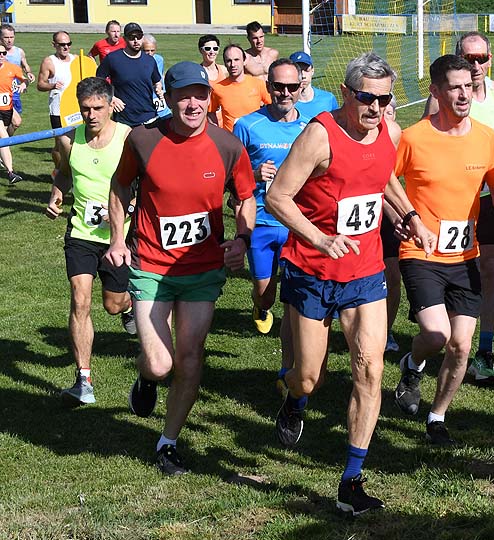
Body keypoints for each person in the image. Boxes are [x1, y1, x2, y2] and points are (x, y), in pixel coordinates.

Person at [265, 52, 433, 515]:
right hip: (313, 270)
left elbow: (384, 180)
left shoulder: (389, 132)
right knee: (309, 376)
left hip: (366, 273)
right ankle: (293, 399)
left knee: (370, 369)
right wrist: (320, 239)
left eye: (384, 99)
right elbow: (277, 196)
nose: (376, 108)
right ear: (346, 93)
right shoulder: (320, 136)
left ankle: (351, 479)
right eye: (367, 98)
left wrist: (410, 216)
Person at [104, 61, 256, 475]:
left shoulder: (227, 145)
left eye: (200, 94)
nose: (193, 103)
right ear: (168, 98)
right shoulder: (143, 139)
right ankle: (146, 379)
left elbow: (245, 197)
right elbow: (120, 185)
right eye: (183, 95)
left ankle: (167, 441)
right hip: (151, 264)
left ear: (209, 98)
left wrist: (241, 240)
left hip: (202, 269)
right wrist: (118, 238)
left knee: (189, 357)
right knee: (159, 363)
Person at [394, 54, 494, 444]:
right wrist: (399, 215)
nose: (464, 93)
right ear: (436, 91)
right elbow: (383, 180)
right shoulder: (413, 137)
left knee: (461, 345)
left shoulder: (485, 137)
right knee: (435, 335)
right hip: (422, 252)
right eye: (454, 86)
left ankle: (437, 416)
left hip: (465, 256)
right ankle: (412, 364)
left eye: (469, 85)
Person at [424, 31, 494, 386]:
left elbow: (492, 120)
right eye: (468, 59)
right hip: (450, 200)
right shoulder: (443, 97)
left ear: (490, 59)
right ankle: (439, 339)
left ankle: (484, 350)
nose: (476, 66)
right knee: (448, 271)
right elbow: (428, 137)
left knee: (489, 268)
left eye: (481, 58)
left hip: (487, 198)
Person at [45, 77, 135, 407]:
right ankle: (84, 379)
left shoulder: (128, 138)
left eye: (98, 108)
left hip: (119, 237)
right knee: (80, 300)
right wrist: (57, 193)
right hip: (81, 233)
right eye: (85, 109)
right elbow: (66, 173)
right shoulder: (69, 138)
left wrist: (135, 204)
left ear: (111, 105)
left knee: (113, 304)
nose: (91, 115)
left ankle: (127, 308)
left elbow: (144, 179)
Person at [232, 57, 306, 343]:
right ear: (269, 86)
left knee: (294, 292)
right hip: (260, 220)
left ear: (300, 88)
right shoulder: (248, 125)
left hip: (297, 222)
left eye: (291, 86)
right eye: (278, 86)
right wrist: (253, 173)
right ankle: (260, 307)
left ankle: (294, 344)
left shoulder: (310, 128)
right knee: (265, 293)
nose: (285, 93)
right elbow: (230, 177)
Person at [96, 22, 162, 128]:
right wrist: (111, 98)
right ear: (125, 39)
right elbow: (98, 82)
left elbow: (156, 81)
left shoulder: (150, 60)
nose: (136, 40)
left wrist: (159, 89)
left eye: (139, 37)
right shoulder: (113, 59)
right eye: (132, 37)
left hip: (149, 116)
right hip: (124, 119)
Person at [380, 96, 402, 353]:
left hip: (392, 219)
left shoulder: (402, 141)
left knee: (392, 275)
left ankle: (386, 331)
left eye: (389, 112)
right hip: (363, 216)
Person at [209, 44, 271, 132]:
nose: (233, 64)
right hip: (231, 140)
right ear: (225, 63)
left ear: (244, 61)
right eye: (229, 61)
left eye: (236, 60)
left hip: (254, 137)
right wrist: (218, 132)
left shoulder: (258, 84)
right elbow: (211, 113)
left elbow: (272, 107)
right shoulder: (217, 88)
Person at [36, 31, 74, 172]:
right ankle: (59, 171)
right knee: (60, 143)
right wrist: (52, 85)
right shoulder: (49, 62)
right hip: (57, 109)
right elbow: (40, 84)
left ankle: (71, 172)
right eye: (62, 44)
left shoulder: (76, 59)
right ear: (54, 45)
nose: (66, 47)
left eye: (68, 44)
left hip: (75, 109)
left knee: (76, 143)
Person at [1, 23, 36, 136]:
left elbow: (25, 65)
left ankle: (5, 142)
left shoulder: (19, 51)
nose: (9, 40)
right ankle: (5, 144)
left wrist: (29, 73)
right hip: (3, 92)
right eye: (6, 37)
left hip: (14, 92)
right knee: (13, 121)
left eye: (12, 37)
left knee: (14, 123)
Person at [0, 40, 25, 184]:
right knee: (3, 137)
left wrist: (23, 83)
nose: (1, 56)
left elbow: (24, 80)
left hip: (8, 107)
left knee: (17, 122)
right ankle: (10, 172)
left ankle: (3, 149)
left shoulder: (12, 68)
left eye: (3, 53)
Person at [289, 51, 338, 118]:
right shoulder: (286, 103)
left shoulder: (328, 99)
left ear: (312, 70)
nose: (303, 75)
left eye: (306, 70)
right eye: (298, 70)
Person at [141, 34, 170, 119]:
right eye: (146, 51)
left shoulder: (159, 59)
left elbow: (159, 76)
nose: (150, 53)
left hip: (160, 98)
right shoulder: (137, 62)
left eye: (152, 50)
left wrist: (161, 90)